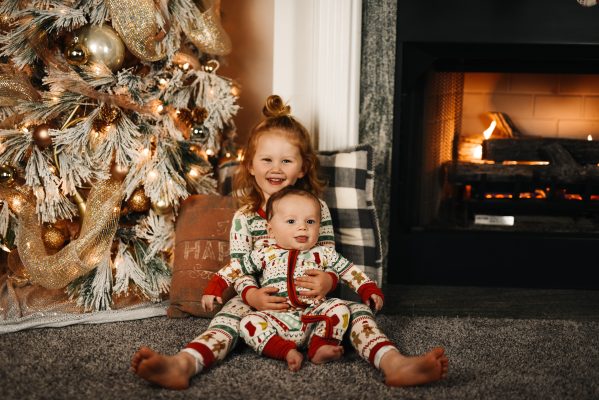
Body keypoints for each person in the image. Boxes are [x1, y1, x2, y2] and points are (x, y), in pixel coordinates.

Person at [131, 95, 448, 389]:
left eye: (286, 161)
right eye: (266, 160)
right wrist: (252, 295)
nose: (275, 169)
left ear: (302, 168)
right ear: (251, 166)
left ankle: (393, 363)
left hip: (316, 304)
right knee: (228, 314)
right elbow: (241, 266)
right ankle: (184, 364)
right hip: (265, 304)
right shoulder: (245, 216)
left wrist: (328, 280)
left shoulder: (316, 208)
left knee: (355, 313)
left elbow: (328, 255)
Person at [202, 187, 384, 371]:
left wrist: (368, 289)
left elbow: (349, 271)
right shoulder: (264, 254)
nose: (302, 227)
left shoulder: (323, 253)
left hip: (314, 316)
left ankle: (320, 345)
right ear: (271, 231)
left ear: (319, 228)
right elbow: (236, 268)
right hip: (277, 317)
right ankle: (285, 351)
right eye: (291, 221)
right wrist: (215, 287)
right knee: (248, 323)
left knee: (339, 308)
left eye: (310, 221)